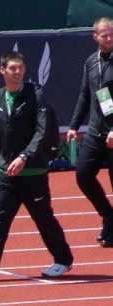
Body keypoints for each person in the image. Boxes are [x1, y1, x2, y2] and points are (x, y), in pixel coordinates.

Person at [0, 51, 73, 280]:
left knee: (43, 218)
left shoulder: (36, 95)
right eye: (12, 68)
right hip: (5, 172)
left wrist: (24, 156)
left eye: (20, 68)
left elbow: (41, 131)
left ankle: (62, 260)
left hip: (33, 171)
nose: (17, 72)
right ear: (2, 70)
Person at [67, 17, 113, 247]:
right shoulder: (91, 62)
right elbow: (86, 95)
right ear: (95, 36)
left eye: (112, 34)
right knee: (83, 175)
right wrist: (74, 126)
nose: (109, 38)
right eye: (105, 35)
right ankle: (109, 216)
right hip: (96, 131)